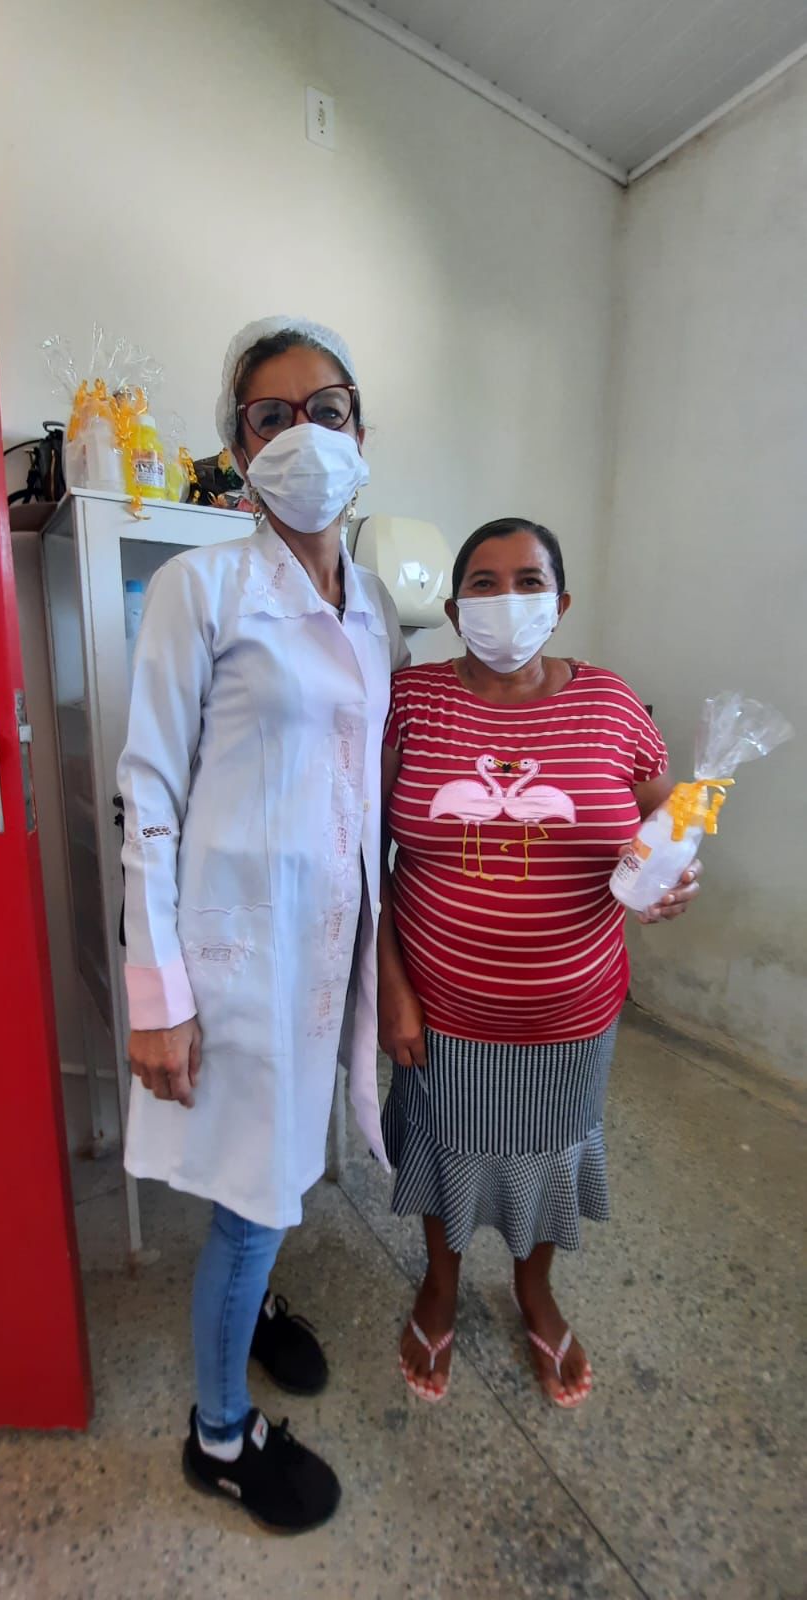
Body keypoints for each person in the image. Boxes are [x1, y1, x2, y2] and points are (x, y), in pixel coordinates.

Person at [117, 316, 408, 1532]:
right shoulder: (203, 588)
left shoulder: (374, 607)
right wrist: (157, 996)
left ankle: (256, 1304)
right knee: (253, 1200)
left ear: (360, 431)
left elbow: (372, 794)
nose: (302, 434)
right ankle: (220, 1435)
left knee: (274, 1170)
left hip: (325, 947)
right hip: (236, 956)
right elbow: (149, 792)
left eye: (324, 410)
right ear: (239, 451)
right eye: (270, 416)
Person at [378, 518, 701, 1407]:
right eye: (483, 583)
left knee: (550, 1158)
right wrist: (391, 988)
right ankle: (439, 1285)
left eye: (528, 581)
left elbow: (662, 819)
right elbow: (365, 855)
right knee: (444, 1151)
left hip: (573, 1012)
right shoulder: (410, 702)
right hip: (439, 1010)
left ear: (559, 604)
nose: (506, 599)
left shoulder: (611, 703)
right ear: (453, 610)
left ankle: (535, 1290)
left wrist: (673, 873)